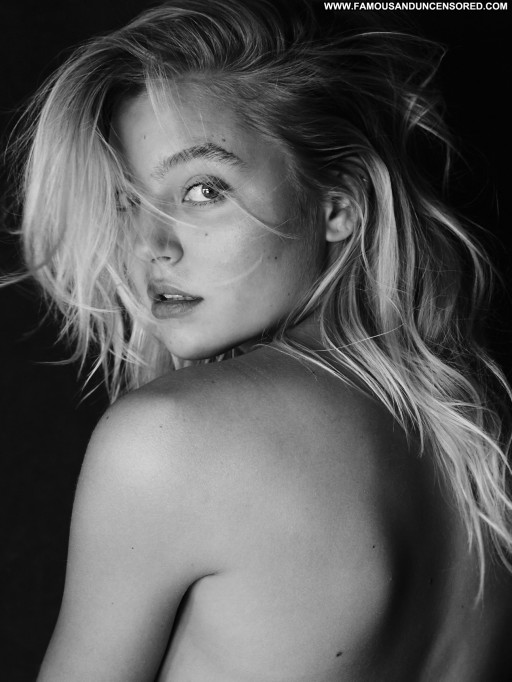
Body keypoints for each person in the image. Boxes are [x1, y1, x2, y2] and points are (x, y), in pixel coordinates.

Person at [8, 0, 511, 679]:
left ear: (338, 206)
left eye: (201, 190)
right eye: (128, 200)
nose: (149, 245)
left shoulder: (172, 438)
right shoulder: (480, 437)